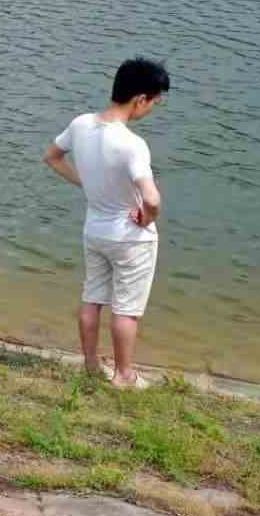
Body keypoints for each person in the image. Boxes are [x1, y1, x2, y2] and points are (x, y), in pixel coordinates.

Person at [43, 56, 170, 388]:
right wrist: (147, 216)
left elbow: (52, 158)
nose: (152, 109)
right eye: (155, 102)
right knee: (126, 310)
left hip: (95, 229)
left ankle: (89, 365)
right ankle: (124, 375)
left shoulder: (81, 124)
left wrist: (86, 182)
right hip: (130, 238)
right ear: (140, 98)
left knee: (92, 298)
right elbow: (152, 198)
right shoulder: (132, 144)